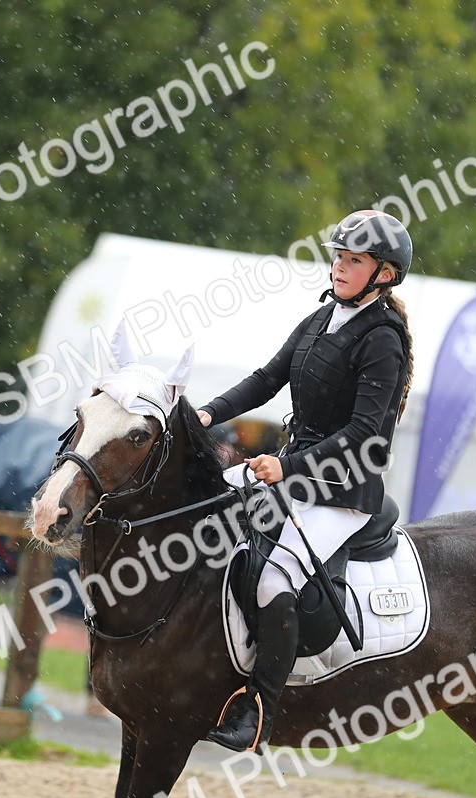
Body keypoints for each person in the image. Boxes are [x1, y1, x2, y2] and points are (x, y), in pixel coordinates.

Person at [196, 210, 415, 753]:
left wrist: (289, 468)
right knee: (206, 519)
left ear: (384, 274)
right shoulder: (321, 319)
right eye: (338, 257)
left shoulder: (383, 339)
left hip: (343, 492)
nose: (340, 267)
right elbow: (267, 379)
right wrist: (206, 414)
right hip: (296, 472)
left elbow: (366, 433)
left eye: (354, 260)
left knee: (275, 579)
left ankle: (259, 710)